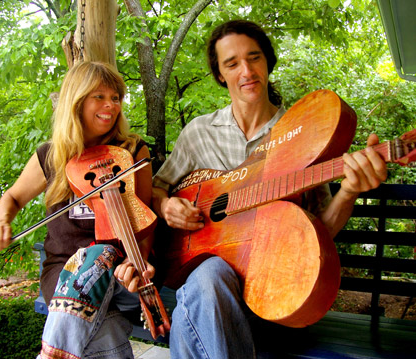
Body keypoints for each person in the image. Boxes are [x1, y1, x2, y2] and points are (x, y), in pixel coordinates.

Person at [152, 20, 388, 358]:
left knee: (196, 298)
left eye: (254, 58)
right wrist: (165, 207)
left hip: (276, 287)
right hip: (204, 279)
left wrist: (348, 191)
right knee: (208, 279)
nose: (246, 71)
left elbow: (320, 227)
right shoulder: (199, 133)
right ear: (220, 74)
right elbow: (156, 190)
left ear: (267, 62)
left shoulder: (299, 134)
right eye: (232, 63)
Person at [0, 61, 156, 359]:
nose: (110, 105)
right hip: (62, 272)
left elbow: (145, 220)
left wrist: (135, 262)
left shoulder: (131, 151)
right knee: (106, 326)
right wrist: (1, 221)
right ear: (76, 101)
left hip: (121, 270)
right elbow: (12, 197)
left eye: (115, 97)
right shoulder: (51, 156)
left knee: (98, 255)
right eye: (99, 97)